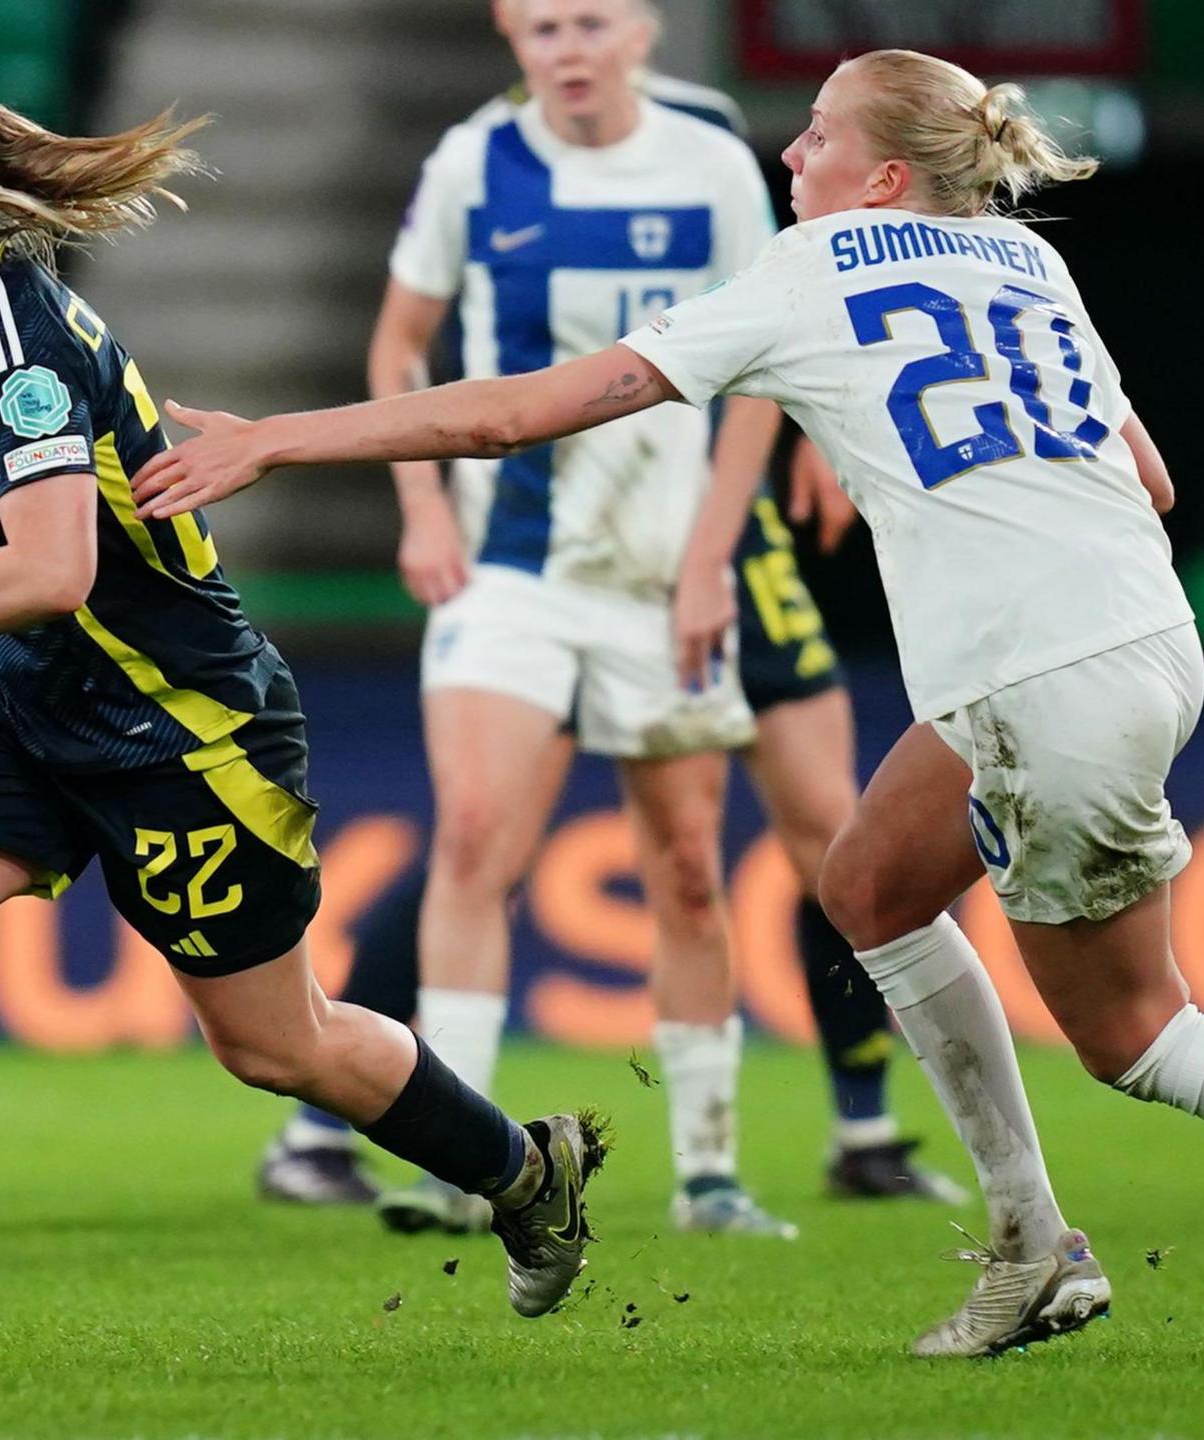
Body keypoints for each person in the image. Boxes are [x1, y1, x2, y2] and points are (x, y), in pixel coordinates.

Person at [130, 50, 1204, 1357]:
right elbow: (1143, 470)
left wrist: (279, 441)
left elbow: (523, 410)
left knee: (1138, 1036)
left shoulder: (809, 273)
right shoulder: (1032, 266)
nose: (791, 156)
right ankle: (1032, 1245)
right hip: (1136, 640)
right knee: (871, 883)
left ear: (882, 172)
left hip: (1035, 680)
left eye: (818, 135)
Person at [0, 96, 608, 1355]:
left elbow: (54, 566)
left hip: (184, 733)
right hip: (19, 701)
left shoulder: (14, 351)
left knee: (279, 1048)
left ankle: (522, 1173)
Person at [256, 0, 962, 1219]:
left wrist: (709, 557)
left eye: (588, 22)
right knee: (475, 844)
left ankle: (709, 1173)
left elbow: (760, 359)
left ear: (639, 30)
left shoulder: (709, 152)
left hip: (662, 576)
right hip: (513, 572)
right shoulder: (476, 160)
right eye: (539, 30)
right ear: (508, 38)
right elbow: (401, 344)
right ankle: (470, 1169)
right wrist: (420, 509)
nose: (565, 49)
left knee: (687, 866)